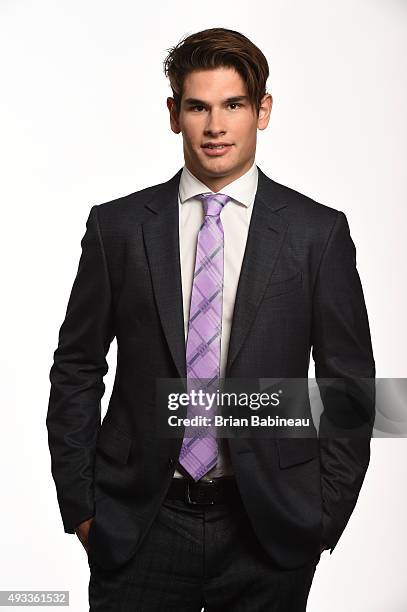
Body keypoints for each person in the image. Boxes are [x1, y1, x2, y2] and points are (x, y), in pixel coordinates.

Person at [46, 27, 375, 611]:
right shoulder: (117, 229)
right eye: (198, 106)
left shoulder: (316, 234)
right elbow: (76, 367)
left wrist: (323, 515)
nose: (215, 126)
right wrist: (83, 508)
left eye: (234, 105)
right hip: (140, 523)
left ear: (262, 111)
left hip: (269, 529)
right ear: (174, 114)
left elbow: (347, 384)